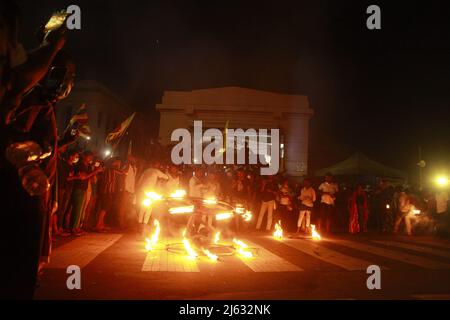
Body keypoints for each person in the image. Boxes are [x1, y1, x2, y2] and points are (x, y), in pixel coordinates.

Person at [69, 151, 102, 234]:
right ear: (84, 157)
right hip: (78, 188)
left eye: (91, 157)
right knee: (77, 209)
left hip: (84, 189)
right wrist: (95, 171)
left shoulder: (87, 166)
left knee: (80, 209)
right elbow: (83, 177)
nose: (91, 158)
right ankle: (74, 228)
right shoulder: (80, 165)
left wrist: (94, 170)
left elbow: (88, 177)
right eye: (89, 157)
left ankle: (77, 227)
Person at [137, 160, 168, 236]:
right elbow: (166, 177)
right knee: (148, 210)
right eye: (157, 164)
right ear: (155, 165)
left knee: (142, 209)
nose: (158, 165)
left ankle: (140, 228)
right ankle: (142, 229)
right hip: (149, 193)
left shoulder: (146, 171)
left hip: (142, 192)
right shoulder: (156, 171)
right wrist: (162, 178)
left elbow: (139, 182)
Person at [95, 158, 125, 232]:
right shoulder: (111, 168)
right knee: (104, 208)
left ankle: (101, 224)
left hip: (107, 191)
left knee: (105, 208)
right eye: (119, 162)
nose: (119, 164)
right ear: (115, 162)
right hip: (106, 191)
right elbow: (123, 172)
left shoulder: (110, 168)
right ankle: (98, 225)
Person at [53, 149, 79, 235]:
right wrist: (77, 177)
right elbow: (66, 178)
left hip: (69, 189)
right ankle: (57, 228)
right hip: (63, 188)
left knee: (64, 209)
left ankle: (61, 226)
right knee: (59, 208)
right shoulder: (64, 165)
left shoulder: (73, 166)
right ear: (70, 156)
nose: (76, 158)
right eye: (75, 156)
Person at [118, 155, 137, 230]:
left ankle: (126, 224)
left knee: (129, 208)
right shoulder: (127, 166)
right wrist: (123, 189)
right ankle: (121, 224)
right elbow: (122, 176)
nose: (133, 159)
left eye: (133, 158)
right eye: (131, 158)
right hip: (125, 190)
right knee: (123, 207)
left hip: (131, 191)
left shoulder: (135, 168)